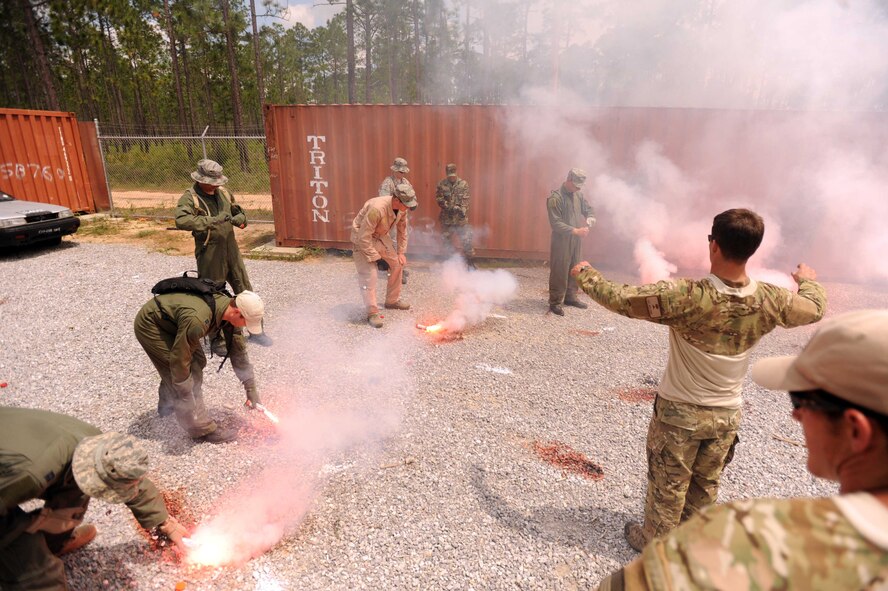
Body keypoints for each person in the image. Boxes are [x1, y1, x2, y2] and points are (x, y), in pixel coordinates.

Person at [570, 208, 827, 551]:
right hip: (726, 416)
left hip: (680, 416)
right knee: (704, 487)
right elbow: (814, 307)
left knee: (668, 487)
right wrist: (806, 278)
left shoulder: (685, 297)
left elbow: (620, 299)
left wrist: (586, 274)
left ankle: (655, 547)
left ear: (714, 246)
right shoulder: (771, 299)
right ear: (752, 250)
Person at [595, 309, 888, 590]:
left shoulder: (753, 537)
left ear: (855, 430)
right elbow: (811, 307)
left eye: (801, 400)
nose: (795, 415)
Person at [0, 407, 188, 590]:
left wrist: (163, 521)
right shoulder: (29, 474)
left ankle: (53, 543)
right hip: (10, 473)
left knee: (76, 488)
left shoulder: (93, 444)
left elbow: (124, 477)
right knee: (32, 565)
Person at [134, 288, 265, 442]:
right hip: (151, 325)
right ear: (237, 312)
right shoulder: (198, 319)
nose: (245, 326)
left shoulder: (229, 310)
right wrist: (185, 393)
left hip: (173, 322)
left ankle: (167, 404)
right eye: (246, 322)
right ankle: (201, 429)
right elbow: (180, 359)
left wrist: (251, 388)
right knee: (188, 371)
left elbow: (238, 351)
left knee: (198, 360)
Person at [175, 159, 272, 350]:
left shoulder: (225, 193)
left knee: (245, 289)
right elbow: (181, 220)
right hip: (210, 253)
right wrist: (211, 221)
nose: (216, 185)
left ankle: (255, 331)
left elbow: (239, 213)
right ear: (201, 179)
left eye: (218, 182)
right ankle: (216, 337)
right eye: (212, 182)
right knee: (212, 295)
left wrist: (239, 219)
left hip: (232, 251)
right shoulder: (190, 198)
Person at [351, 183, 418, 328]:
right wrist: (376, 258)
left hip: (380, 237)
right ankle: (372, 312)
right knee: (371, 275)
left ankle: (392, 301)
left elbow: (402, 230)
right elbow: (363, 237)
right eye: (406, 204)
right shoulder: (377, 209)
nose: (407, 208)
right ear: (396, 199)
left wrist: (401, 252)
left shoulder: (402, 208)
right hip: (362, 240)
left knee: (398, 264)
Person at [547, 168, 595, 316]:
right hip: (561, 241)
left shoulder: (578, 195)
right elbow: (556, 223)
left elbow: (588, 209)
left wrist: (590, 218)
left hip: (576, 240)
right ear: (568, 180)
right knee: (560, 270)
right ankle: (555, 302)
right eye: (576, 185)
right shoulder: (556, 198)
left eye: (580, 186)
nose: (578, 188)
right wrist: (575, 231)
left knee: (576, 268)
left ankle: (570, 297)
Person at [379, 157, 413, 285]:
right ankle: (395, 270)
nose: (401, 174)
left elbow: (411, 197)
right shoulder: (388, 183)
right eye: (399, 171)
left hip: (402, 216)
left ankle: (400, 266)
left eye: (403, 172)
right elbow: (384, 201)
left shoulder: (406, 182)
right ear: (394, 170)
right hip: (391, 217)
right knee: (392, 242)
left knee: (402, 240)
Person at [435, 163, 475, 265]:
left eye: (453, 175)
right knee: (446, 242)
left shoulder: (463, 184)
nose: (451, 177)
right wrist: (450, 207)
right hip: (447, 219)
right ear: (447, 174)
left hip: (460, 219)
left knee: (467, 239)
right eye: (449, 175)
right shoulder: (441, 184)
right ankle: (450, 263)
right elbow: (439, 199)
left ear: (456, 173)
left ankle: (469, 262)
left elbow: (466, 200)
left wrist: (462, 210)